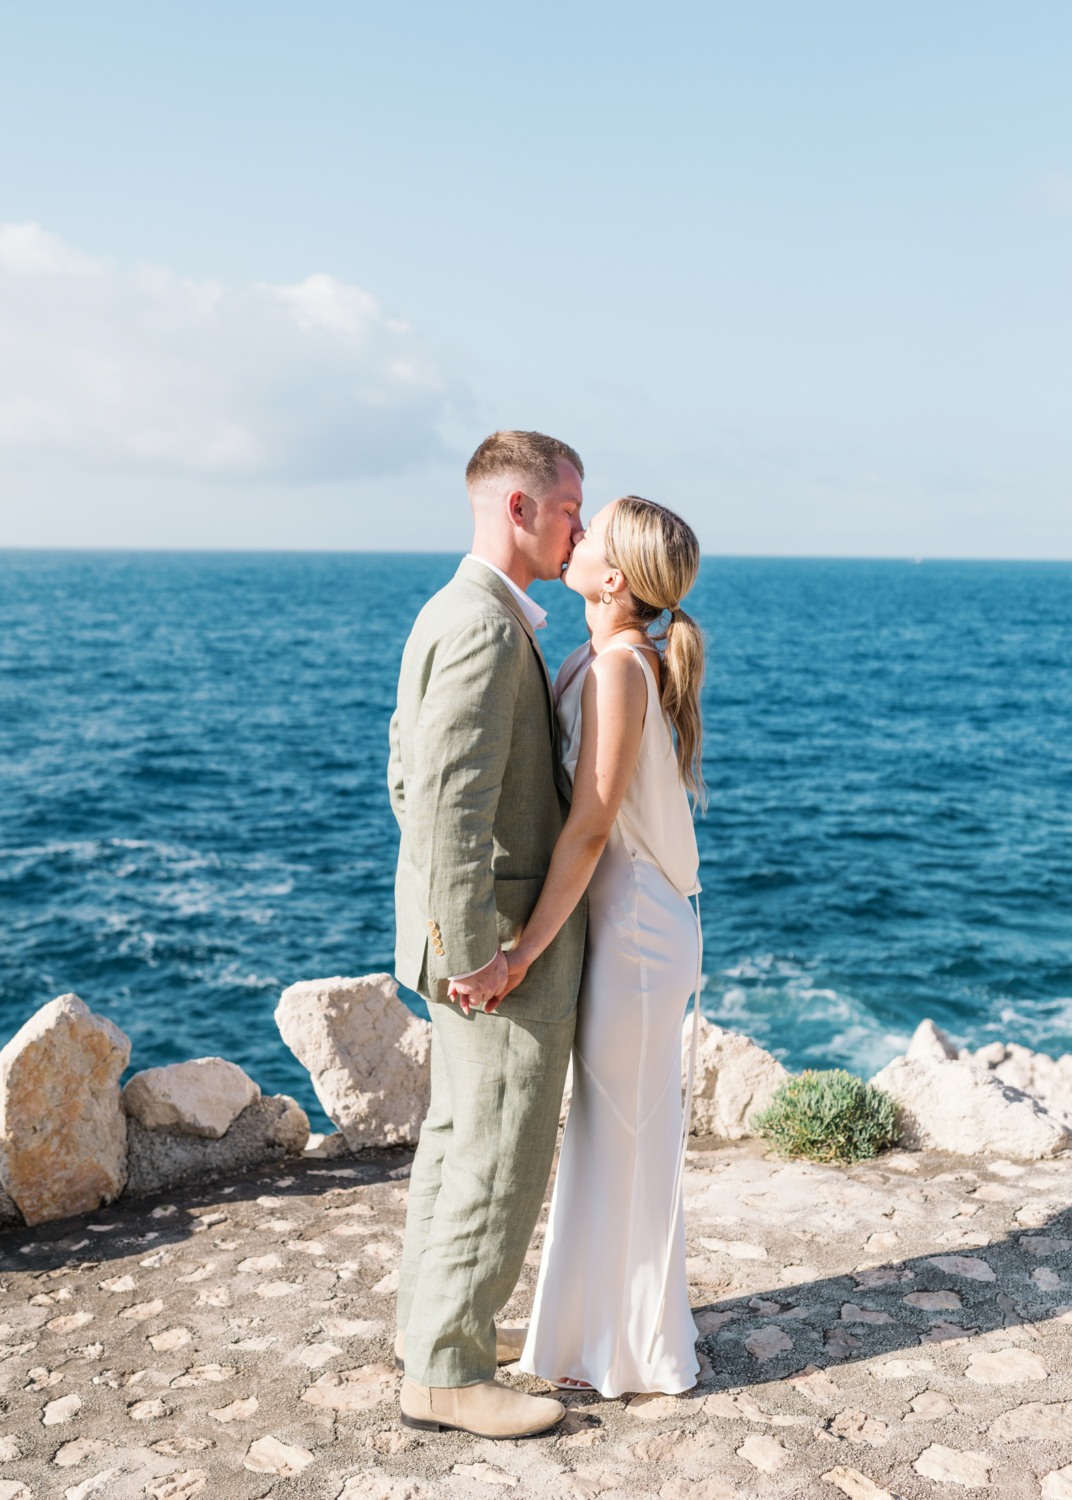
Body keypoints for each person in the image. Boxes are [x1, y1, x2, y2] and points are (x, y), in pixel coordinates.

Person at [388, 430, 588, 1439]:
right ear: (519, 510)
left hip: (466, 933)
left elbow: (405, 779)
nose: (577, 532)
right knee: (496, 1152)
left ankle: (431, 1336)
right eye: (567, 512)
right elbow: (444, 804)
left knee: (457, 1139)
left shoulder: (450, 612)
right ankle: (447, 1371)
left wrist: (443, 920)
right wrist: (475, 946)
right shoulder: (482, 628)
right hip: (495, 949)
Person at [507, 495, 706, 1397]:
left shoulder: (622, 669)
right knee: (611, 1134)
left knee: (624, 1137)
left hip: (634, 935)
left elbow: (589, 829)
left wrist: (522, 949)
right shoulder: (605, 654)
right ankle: (603, 1337)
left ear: (615, 579)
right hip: (629, 924)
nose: (573, 537)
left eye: (590, 534)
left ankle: (627, 1351)